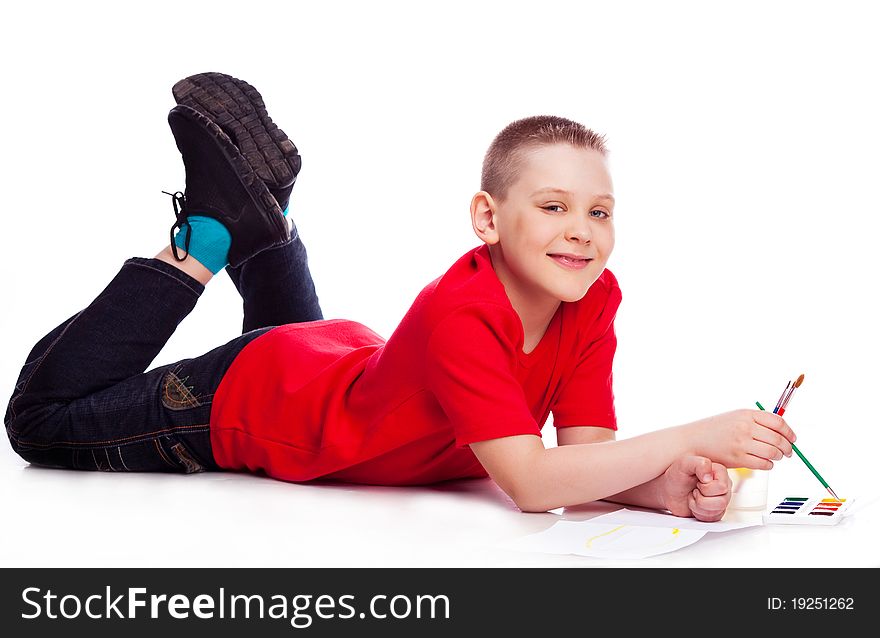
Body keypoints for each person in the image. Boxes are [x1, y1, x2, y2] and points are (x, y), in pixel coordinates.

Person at [4, 73, 796, 521]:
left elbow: (583, 458)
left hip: (328, 369)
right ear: (488, 218)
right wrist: (699, 430)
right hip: (251, 401)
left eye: (599, 211)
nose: (581, 232)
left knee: (291, 357)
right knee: (38, 419)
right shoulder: (463, 311)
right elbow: (530, 483)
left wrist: (668, 485)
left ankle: (268, 226)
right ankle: (216, 234)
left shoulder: (593, 297)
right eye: (552, 208)